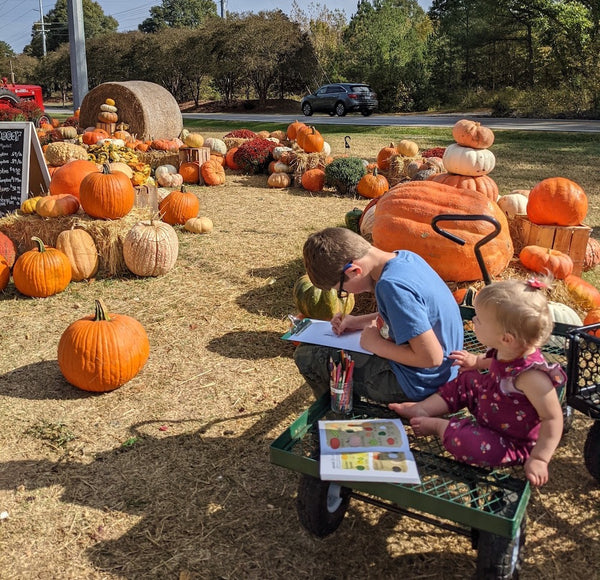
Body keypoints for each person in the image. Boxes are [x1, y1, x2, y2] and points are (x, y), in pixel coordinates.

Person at [390, 278, 566, 487]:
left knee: (470, 443)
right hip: (491, 403)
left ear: (506, 339)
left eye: (479, 320)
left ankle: (440, 426)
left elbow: (552, 418)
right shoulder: (510, 349)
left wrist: (539, 458)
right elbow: (496, 362)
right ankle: (423, 408)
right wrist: (476, 361)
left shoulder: (532, 377)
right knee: (467, 380)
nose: (474, 319)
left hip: (508, 440)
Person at [293, 227, 464, 403]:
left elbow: (431, 357)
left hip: (418, 384)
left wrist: (376, 345)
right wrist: (356, 321)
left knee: (307, 356)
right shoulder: (405, 258)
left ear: (354, 271)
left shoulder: (391, 286)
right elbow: (407, 316)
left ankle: (338, 416)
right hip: (443, 374)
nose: (345, 294)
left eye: (341, 291)